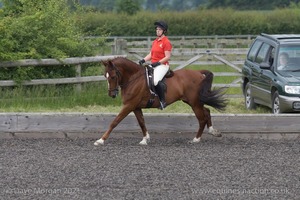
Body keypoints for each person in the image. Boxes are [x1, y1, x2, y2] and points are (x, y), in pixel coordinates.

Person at [139, 20, 172, 109]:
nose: (157, 31)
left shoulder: (166, 42)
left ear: (164, 31)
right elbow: (151, 54)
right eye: (156, 29)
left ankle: (162, 101)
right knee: (146, 79)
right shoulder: (155, 41)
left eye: (159, 29)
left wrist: (158, 63)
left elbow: (167, 57)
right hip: (154, 65)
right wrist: (143, 60)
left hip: (162, 65)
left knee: (156, 81)